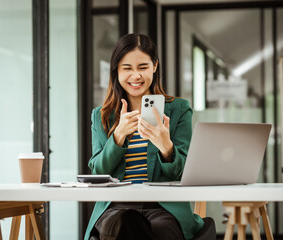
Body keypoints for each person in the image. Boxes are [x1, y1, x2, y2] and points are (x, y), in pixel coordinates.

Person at [84, 33, 204, 240]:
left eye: (143, 67)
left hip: (163, 207)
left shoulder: (178, 110)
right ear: (116, 71)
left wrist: (167, 148)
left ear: (155, 66)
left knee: (157, 230)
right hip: (116, 207)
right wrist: (118, 137)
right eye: (127, 68)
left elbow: (185, 174)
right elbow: (97, 171)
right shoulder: (102, 115)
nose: (135, 76)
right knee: (127, 224)